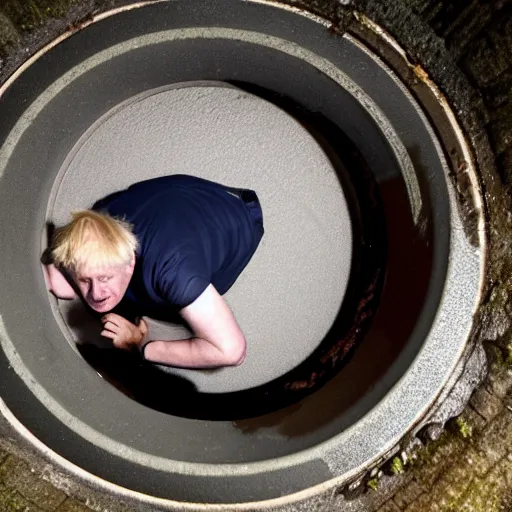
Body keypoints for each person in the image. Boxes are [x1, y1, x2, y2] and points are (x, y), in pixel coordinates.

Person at [43, 174, 264, 369]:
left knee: (167, 304)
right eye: (84, 279)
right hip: (166, 201)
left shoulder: (173, 270)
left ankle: (138, 325)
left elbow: (233, 352)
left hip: (237, 219)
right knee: (61, 284)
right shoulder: (101, 215)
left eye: (104, 278)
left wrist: (141, 346)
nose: (96, 293)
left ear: (131, 262)